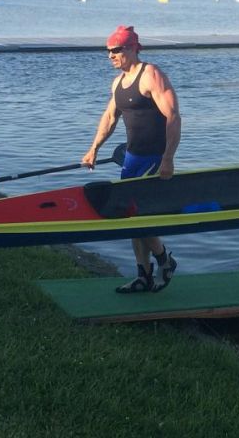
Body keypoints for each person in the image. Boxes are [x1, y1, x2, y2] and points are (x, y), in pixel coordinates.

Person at [82, 25, 182, 293]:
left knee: (136, 217)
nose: (110, 56)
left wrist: (168, 159)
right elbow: (109, 118)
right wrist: (94, 149)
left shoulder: (151, 75)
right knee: (130, 218)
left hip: (154, 157)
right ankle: (144, 275)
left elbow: (173, 117)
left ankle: (164, 260)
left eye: (115, 50)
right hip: (131, 158)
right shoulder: (117, 83)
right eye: (108, 51)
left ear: (131, 49)